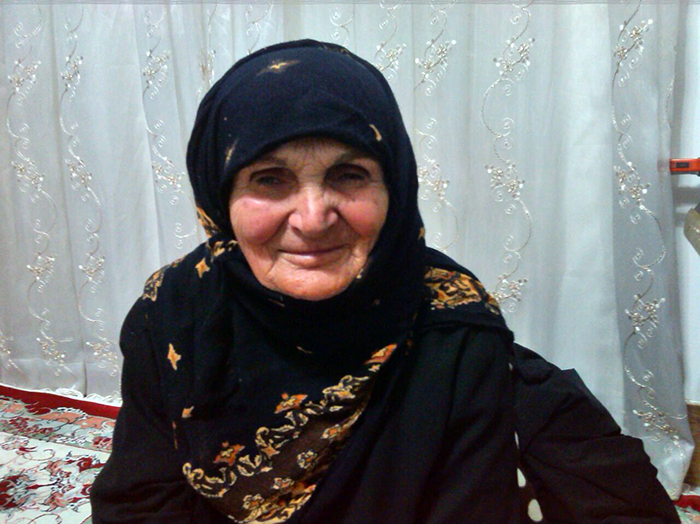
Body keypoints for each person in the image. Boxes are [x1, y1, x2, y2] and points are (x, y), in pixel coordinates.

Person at [90, 39, 679, 524]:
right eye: (269, 179)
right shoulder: (174, 312)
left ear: (395, 186)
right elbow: (139, 502)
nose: (313, 218)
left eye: (348, 175)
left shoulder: (456, 337)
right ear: (219, 198)